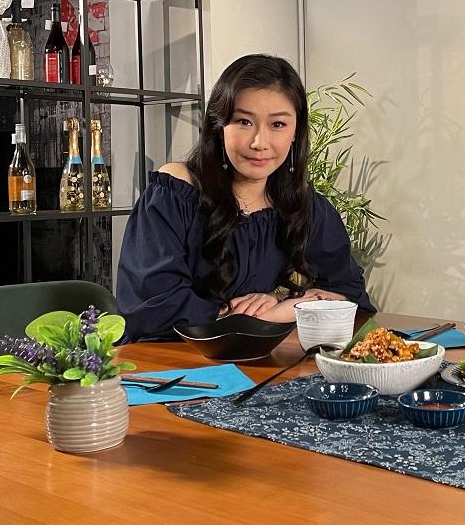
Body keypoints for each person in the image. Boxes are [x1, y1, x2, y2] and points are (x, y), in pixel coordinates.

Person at [116, 54, 374, 341]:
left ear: (295, 133)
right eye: (243, 121)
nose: (259, 143)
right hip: (163, 358)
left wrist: (282, 304)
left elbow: (349, 295)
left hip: (251, 356)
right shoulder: (175, 191)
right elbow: (154, 308)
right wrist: (254, 316)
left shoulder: (302, 203)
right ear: (219, 126)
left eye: (278, 124)